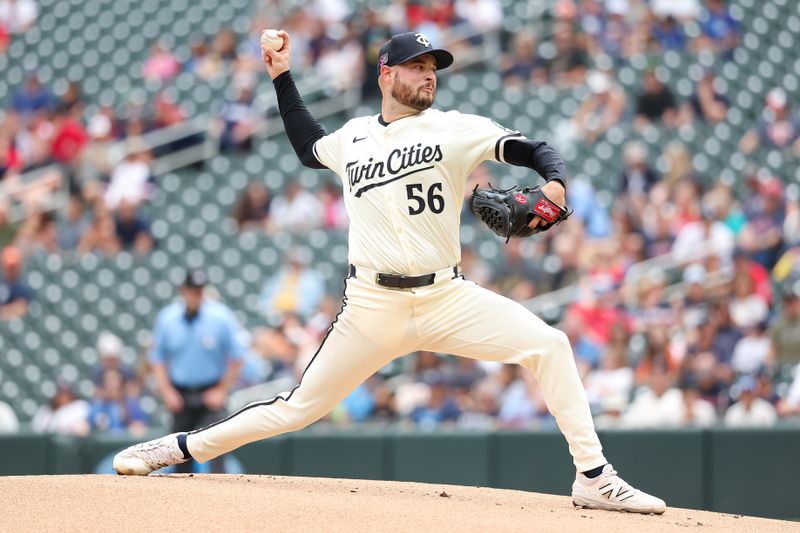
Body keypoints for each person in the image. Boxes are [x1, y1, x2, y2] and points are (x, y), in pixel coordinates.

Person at [114, 31, 665, 515]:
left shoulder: (455, 128)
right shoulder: (354, 138)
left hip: (447, 296)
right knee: (298, 407)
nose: (429, 77)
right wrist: (282, 76)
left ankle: (594, 477)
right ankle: (176, 449)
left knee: (550, 345)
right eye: (418, 67)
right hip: (371, 306)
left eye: (434, 70)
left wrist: (555, 184)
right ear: (386, 73)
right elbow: (308, 146)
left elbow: (535, 149)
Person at [144, 270, 244, 473]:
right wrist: (167, 392)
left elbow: (238, 358)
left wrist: (221, 390)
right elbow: (157, 359)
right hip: (180, 394)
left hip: (211, 392)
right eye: (192, 290)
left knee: (217, 449)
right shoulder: (168, 318)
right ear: (183, 291)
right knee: (179, 456)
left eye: (199, 290)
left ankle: (220, 501)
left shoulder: (220, 316)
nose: (196, 295)